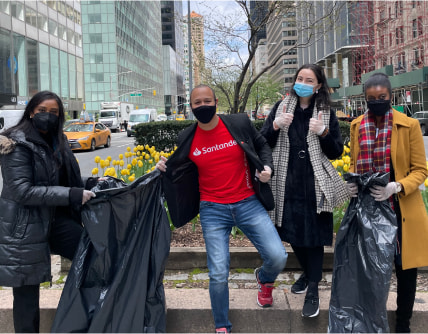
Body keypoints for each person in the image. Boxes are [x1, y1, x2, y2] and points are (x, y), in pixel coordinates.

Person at [156, 84, 288, 334]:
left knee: (278, 256)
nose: (203, 106)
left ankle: (265, 279)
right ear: (191, 107)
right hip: (212, 209)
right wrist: (164, 168)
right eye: (197, 103)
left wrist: (267, 168)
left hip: (248, 202)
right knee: (218, 273)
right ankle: (221, 326)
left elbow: (262, 145)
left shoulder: (237, 123)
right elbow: (179, 169)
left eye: (207, 101)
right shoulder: (187, 137)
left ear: (216, 101)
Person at [0, 91, 97, 333]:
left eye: (54, 112)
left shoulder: (58, 141)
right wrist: (71, 194)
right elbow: (23, 191)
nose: (48, 116)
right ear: (31, 111)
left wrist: (91, 182)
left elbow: (64, 180)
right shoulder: (16, 142)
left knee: (93, 256)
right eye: (42, 110)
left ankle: (87, 317)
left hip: (55, 220)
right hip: (23, 226)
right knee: (26, 293)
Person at [260, 64, 349, 318]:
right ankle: (310, 273)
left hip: (314, 181)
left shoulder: (325, 112)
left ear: (319, 85)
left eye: (309, 79)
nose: (303, 83)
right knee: (290, 232)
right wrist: (275, 125)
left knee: (314, 235)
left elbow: (335, 151)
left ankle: (312, 289)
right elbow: (262, 141)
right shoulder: (281, 108)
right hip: (286, 181)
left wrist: (323, 132)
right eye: (300, 78)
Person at [347, 72, 428, 333]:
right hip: (369, 208)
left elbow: (421, 170)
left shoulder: (409, 125)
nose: (377, 101)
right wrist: (353, 182)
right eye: (371, 98)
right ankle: (372, 320)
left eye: (382, 97)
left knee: (405, 270)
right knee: (371, 270)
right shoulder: (357, 125)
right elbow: (354, 163)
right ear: (365, 99)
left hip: (401, 207)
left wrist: (398, 186)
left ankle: (402, 323)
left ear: (390, 97)